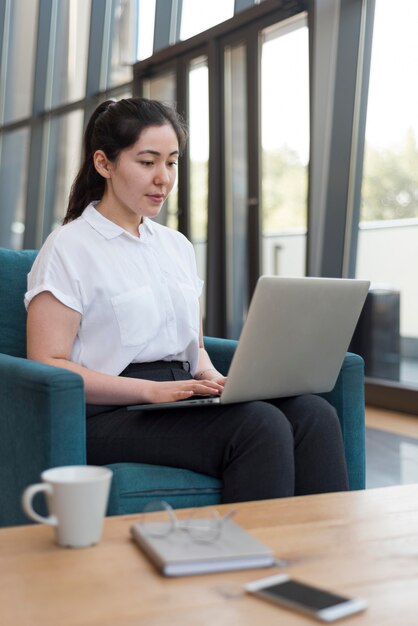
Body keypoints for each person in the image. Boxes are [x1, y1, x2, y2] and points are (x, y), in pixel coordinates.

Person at [25, 97, 349, 504]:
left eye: (172, 162)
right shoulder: (68, 248)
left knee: (313, 415)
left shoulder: (176, 247)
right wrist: (146, 391)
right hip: (109, 413)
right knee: (259, 426)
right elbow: (47, 363)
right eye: (147, 162)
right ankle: (254, 562)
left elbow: (193, 347)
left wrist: (214, 378)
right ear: (104, 164)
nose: (163, 178)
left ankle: (326, 558)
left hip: (180, 397)